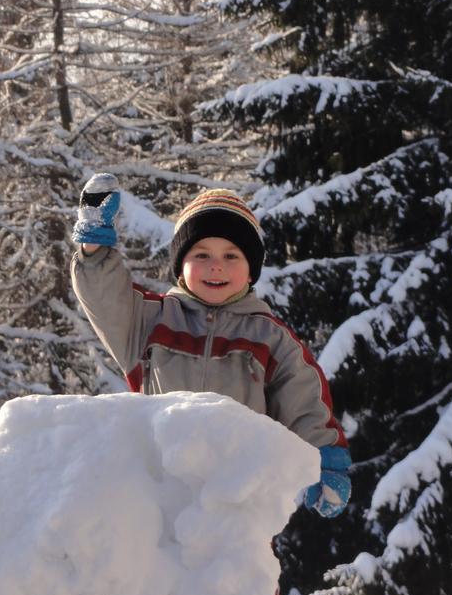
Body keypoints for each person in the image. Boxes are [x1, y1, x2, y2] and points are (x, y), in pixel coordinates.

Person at [70, 174, 351, 518]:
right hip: (155, 500)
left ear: (251, 270)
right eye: (201, 254)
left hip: (238, 505)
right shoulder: (149, 322)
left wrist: (324, 461)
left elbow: (303, 400)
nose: (216, 265)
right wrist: (94, 247)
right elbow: (105, 298)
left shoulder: (271, 338)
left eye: (232, 255)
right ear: (180, 266)